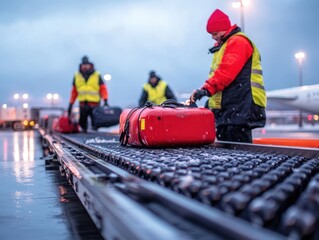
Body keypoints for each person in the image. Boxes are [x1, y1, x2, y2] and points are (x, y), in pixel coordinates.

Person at [190, 9, 266, 143]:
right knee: (232, 146)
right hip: (234, 105)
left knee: (237, 148)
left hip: (240, 104)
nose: (213, 37)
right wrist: (211, 100)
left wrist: (206, 90)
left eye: (215, 33)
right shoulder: (226, 45)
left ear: (225, 29)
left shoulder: (238, 42)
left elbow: (226, 72)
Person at [68, 56, 109, 133]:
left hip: (94, 103)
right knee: (82, 122)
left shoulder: (97, 75)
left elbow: (103, 88)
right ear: (81, 65)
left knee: (95, 122)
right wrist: (71, 103)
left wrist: (105, 99)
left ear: (90, 65)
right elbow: (74, 91)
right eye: (84, 65)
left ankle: (95, 134)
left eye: (86, 65)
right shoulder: (77, 75)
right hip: (83, 103)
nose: (85, 66)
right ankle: (84, 132)